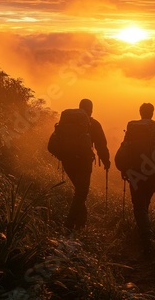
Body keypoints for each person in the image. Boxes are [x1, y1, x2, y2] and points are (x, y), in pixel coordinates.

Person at [121, 103, 155, 254]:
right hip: (152, 174)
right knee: (144, 205)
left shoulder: (131, 129)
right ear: (152, 113)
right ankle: (145, 237)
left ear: (140, 112)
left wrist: (124, 168)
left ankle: (145, 238)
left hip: (134, 173)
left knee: (139, 206)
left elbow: (125, 149)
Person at [63, 99, 110, 231]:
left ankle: (80, 223)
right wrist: (106, 161)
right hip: (83, 162)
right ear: (91, 110)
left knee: (80, 191)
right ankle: (69, 224)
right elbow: (101, 145)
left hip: (67, 161)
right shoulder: (94, 124)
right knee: (81, 192)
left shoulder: (68, 121)